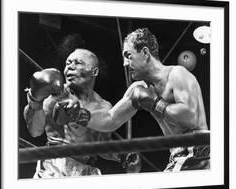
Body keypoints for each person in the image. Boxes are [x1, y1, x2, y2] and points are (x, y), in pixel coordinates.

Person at [68, 28, 210, 172]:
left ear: (145, 53)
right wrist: (79, 114)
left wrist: (156, 103)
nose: (125, 63)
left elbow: (191, 117)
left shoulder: (177, 74)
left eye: (128, 56)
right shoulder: (138, 89)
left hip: (200, 154)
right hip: (177, 156)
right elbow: (110, 120)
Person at [23, 48, 142, 178]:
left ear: (94, 71)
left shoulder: (103, 107)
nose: (70, 67)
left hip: (85, 169)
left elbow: (101, 145)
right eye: (68, 63)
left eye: (77, 63)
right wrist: (35, 100)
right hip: (54, 164)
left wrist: (122, 155)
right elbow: (35, 131)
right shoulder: (54, 95)